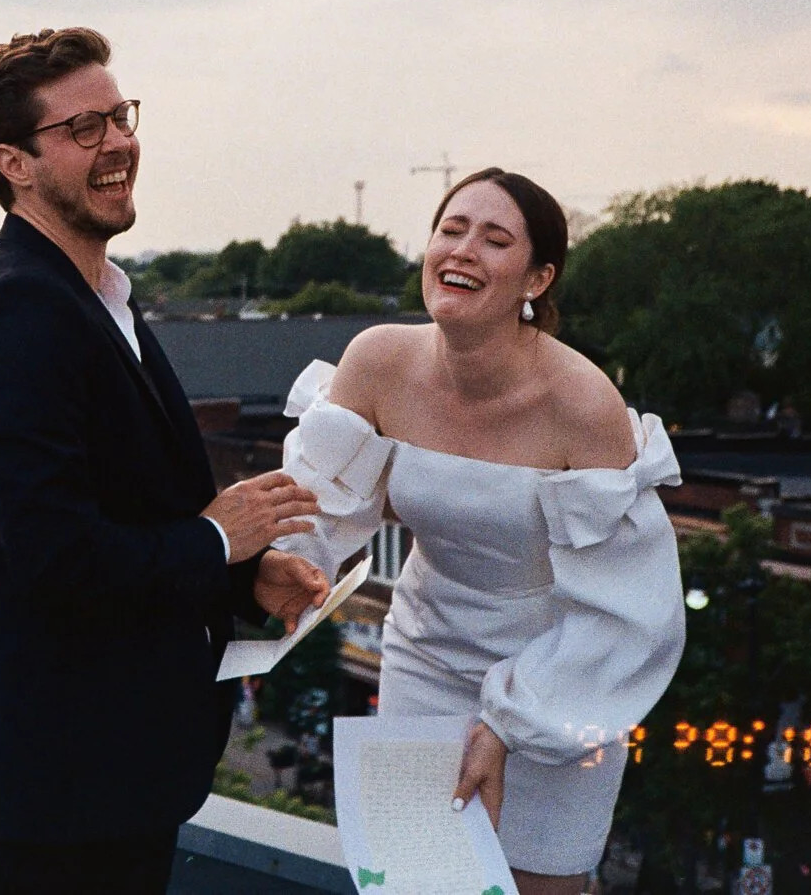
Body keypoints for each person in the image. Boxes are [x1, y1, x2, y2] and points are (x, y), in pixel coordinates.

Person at [0, 28, 331, 895]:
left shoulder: (97, 297)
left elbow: (128, 508)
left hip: (115, 782)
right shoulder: (22, 312)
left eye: (121, 116)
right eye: (84, 128)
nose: (119, 141)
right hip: (63, 795)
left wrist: (245, 576)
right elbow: (53, 557)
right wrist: (215, 540)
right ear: (15, 162)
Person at [272, 168, 685, 894]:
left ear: (538, 278)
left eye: (495, 240)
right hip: (423, 657)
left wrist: (509, 724)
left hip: (562, 680)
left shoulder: (584, 403)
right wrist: (279, 569)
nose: (463, 250)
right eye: (452, 229)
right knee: (418, 880)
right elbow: (320, 509)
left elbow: (629, 611)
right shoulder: (377, 360)